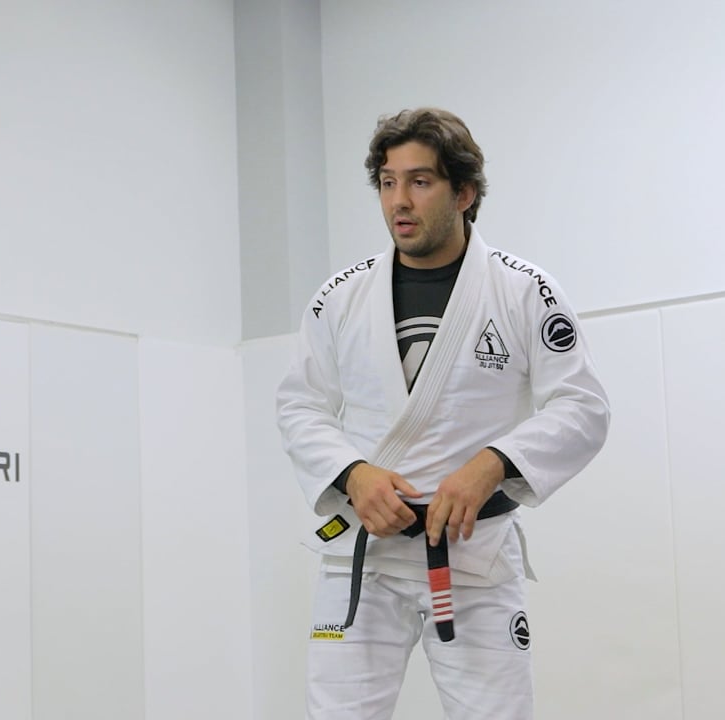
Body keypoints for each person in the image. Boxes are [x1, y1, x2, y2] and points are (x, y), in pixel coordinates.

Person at [276, 107, 610, 720]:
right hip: (363, 556)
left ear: (464, 192)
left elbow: (583, 406)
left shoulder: (523, 290)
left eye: (420, 181)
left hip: (473, 553)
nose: (399, 201)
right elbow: (300, 404)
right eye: (387, 182)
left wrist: (495, 463)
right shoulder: (339, 297)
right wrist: (354, 474)